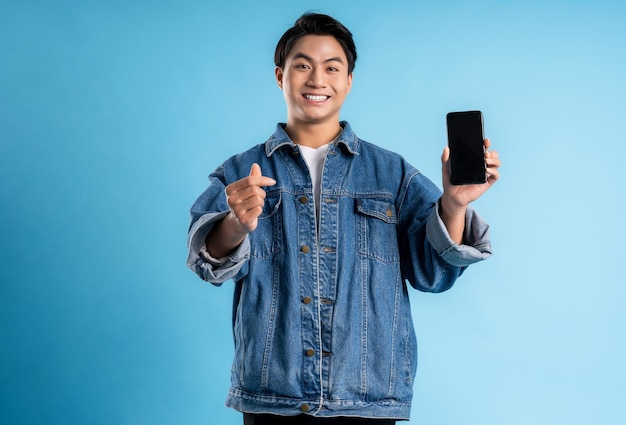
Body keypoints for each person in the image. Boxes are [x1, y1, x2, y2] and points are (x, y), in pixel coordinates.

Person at [187, 12, 500, 425]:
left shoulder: (393, 174)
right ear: (280, 75)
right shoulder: (240, 170)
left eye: (332, 67)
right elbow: (206, 262)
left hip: (368, 397)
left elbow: (434, 275)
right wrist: (235, 223)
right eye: (303, 65)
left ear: (348, 80)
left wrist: (455, 204)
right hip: (272, 396)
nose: (317, 79)